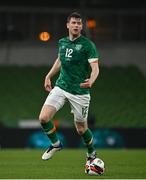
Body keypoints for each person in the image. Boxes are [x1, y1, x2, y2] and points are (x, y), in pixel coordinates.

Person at [39, 12, 100, 169]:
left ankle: (91, 153)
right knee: (44, 118)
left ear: (81, 26)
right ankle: (56, 144)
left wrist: (92, 80)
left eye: (79, 23)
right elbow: (60, 60)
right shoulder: (62, 42)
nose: (76, 26)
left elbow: (95, 68)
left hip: (79, 91)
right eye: (74, 23)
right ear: (68, 25)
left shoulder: (88, 45)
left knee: (81, 129)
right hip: (61, 86)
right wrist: (48, 76)